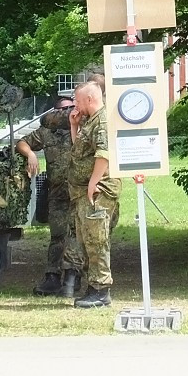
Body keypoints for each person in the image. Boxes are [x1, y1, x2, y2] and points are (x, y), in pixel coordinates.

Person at [16, 97, 77, 296]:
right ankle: (53, 276)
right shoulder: (47, 132)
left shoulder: (84, 128)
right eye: (61, 110)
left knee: (79, 235)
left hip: (81, 192)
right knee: (58, 235)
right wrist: (31, 155)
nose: (65, 114)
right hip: (58, 192)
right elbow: (22, 143)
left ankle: (74, 276)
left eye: (69, 109)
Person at [68, 81, 121, 308]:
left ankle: (101, 291)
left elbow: (104, 154)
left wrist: (93, 182)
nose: (75, 104)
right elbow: (80, 152)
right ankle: (93, 287)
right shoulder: (89, 121)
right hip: (83, 192)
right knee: (87, 241)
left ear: (89, 99)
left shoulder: (102, 121)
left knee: (97, 240)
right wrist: (74, 127)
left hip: (98, 192)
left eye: (78, 100)